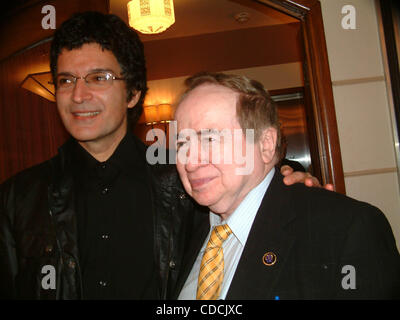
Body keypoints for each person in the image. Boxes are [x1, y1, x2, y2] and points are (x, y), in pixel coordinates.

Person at [0, 12, 317, 300]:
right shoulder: (18, 197)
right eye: (66, 80)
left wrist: (287, 181)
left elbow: (247, 184)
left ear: (134, 93)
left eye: (99, 78)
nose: (79, 95)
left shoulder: (185, 178)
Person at [174, 72, 400, 300]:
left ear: (265, 144)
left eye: (210, 139)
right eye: (182, 142)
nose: (190, 161)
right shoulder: (178, 230)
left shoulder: (345, 230)